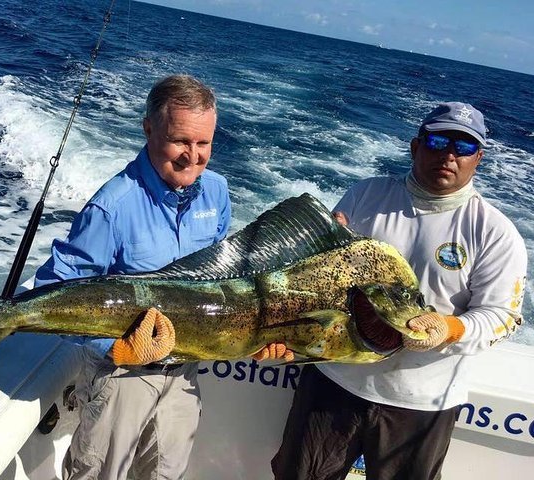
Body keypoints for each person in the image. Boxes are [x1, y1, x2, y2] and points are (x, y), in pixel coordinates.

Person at [271, 102, 528, 480]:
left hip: (421, 404)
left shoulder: (495, 232)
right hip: (334, 382)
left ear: (479, 158)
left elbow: (502, 317)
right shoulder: (365, 196)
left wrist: (450, 328)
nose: (449, 155)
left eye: (464, 147)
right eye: (438, 141)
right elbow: (316, 282)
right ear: (415, 146)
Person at [34, 74, 232, 480]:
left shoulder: (217, 192)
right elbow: (53, 291)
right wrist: (117, 347)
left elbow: (224, 280)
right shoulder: (111, 208)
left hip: (184, 374)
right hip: (121, 376)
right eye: (180, 140)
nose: (192, 156)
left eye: (203, 144)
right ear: (148, 129)